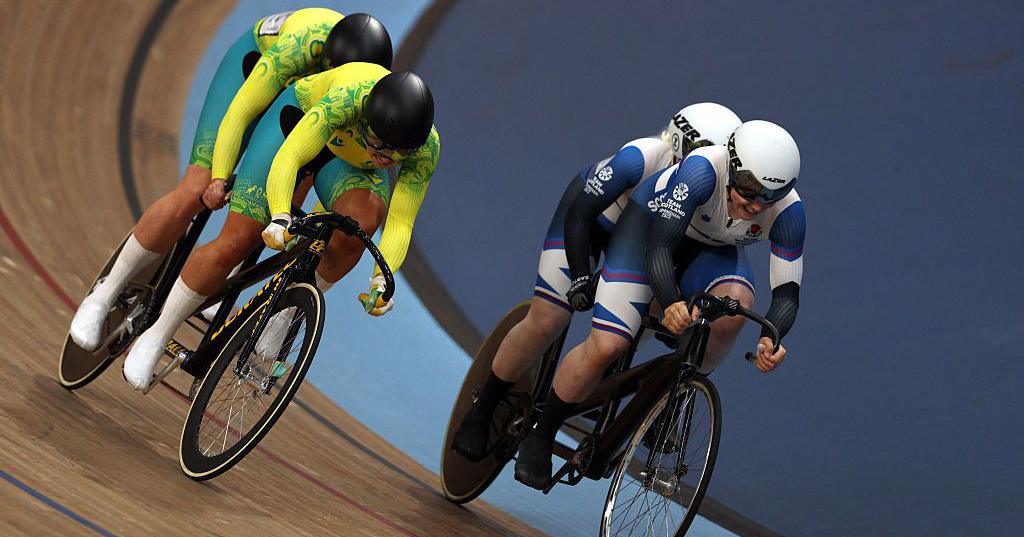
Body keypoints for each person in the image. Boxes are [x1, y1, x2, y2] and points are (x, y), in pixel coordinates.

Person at [69, 9, 393, 350]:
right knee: (195, 189)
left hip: (301, 108)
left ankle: (221, 277)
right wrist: (219, 177)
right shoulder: (301, 46)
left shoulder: (365, 91)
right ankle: (103, 295)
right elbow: (240, 112)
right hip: (252, 75)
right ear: (326, 63)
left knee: (284, 194)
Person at [513, 119, 806, 489]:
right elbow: (660, 247)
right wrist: (669, 300)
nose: (755, 204)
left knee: (736, 307)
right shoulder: (701, 172)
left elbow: (787, 291)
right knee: (608, 345)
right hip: (649, 231)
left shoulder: (791, 213)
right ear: (731, 164)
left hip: (711, 250)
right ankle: (541, 434)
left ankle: (674, 396)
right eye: (748, 188)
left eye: (769, 197)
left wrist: (773, 336)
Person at [122, 62, 439, 392]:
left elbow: (401, 220)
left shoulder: (426, 149)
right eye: (378, 141)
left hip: (347, 160)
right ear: (367, 118)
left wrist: (381, 278)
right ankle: (156, 334)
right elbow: (290, 157)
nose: (385, 155)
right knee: (239, 239)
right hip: (296, 125)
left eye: (398, 152)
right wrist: (279, 215)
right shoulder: (347, 99)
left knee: (358, 228)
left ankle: (281, 316)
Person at [452, 103, 742, 461]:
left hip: (638, 243)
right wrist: (582, 277)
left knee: (645, 312)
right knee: (549, 320)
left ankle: (598, 381)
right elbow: (579, 217)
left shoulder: (712, 191)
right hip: (589, 228)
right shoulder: (639, 159)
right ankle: (483, 408)